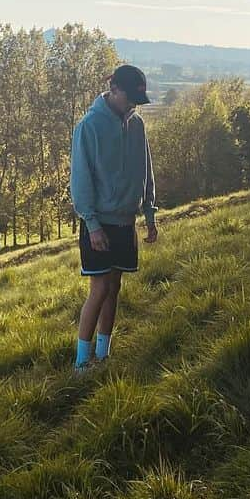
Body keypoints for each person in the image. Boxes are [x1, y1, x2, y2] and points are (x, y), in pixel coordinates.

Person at [69, 63, 158, 370]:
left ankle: (104, 354)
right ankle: (82, 361)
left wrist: (150, 214)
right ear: (113, 88)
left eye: (138, 101)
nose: (133, 105)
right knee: (100, 288)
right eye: (129, 98)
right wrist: (92, 225)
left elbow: (145, 170)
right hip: (98, 223)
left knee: (115, 287)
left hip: (125, 221)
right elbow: (81, 179)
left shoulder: (137, 125)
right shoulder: (89, 126)